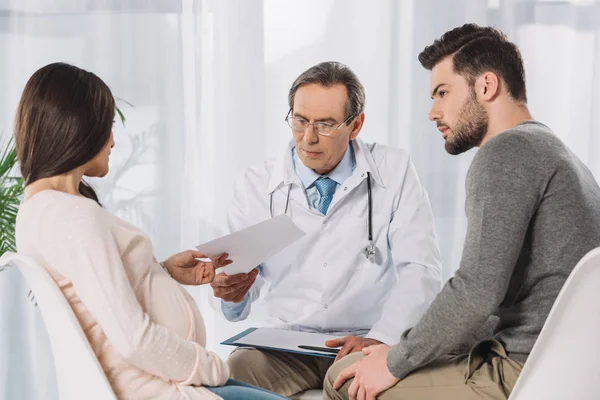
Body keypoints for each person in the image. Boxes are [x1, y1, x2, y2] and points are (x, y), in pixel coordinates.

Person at [324, 23, 600, 400]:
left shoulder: (506, 154)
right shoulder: (557, 152)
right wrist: (402, 352)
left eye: (442, 93)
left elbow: (475, 291)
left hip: (520, 371)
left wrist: (392, 363)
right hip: (564, 369)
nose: (433, 112)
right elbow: (496, 300)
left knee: (344, 379)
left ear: (486, 86)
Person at [14, 62, 287, 400]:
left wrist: (161, 272)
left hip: (160, 384)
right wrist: (214, 366)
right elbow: (134, 340)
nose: (113, 140)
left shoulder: (39, 210)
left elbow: (98, 297)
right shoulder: (74, 217)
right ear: (80, 127)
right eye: (108, 125)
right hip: (159, 390)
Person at [209, 61, 443, 397]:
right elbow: (241, 289)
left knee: (354, 379)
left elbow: (420, 270)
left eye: (326, 124)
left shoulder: (394, 170)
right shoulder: (257, 184)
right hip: (285, 345)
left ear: (356, 124)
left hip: (364, 339)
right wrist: (231, 293)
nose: (309, 137)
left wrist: (383, 337)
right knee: (236, 370)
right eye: (300, 120)